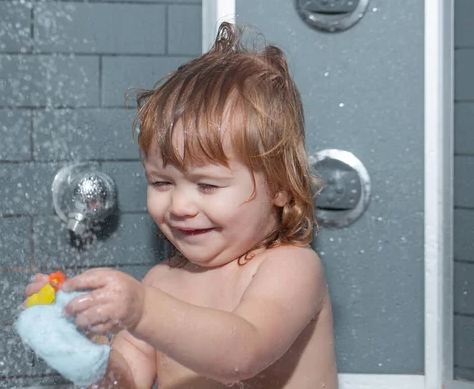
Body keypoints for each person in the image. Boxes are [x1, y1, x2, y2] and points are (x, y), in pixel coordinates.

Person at [25, 22, 338, 389]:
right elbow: (125, 382)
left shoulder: (292, 269)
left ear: (280, 189)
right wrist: (81, 342)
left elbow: (243, 352)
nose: (179, 205)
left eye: (206, 185)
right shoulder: (161, 283)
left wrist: (141, 309)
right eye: (161, 182)